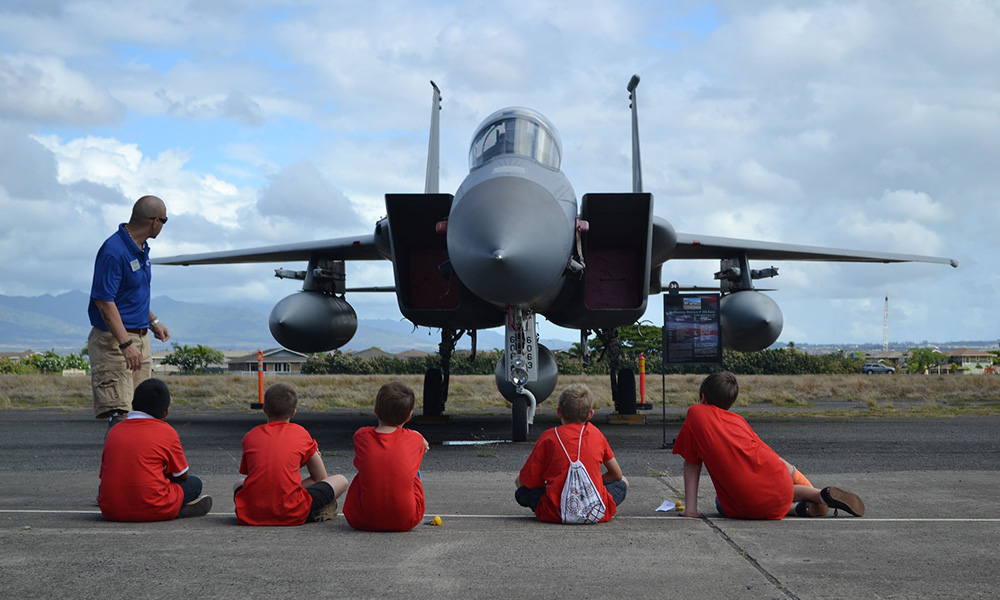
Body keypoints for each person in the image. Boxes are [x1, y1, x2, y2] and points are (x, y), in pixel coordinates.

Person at [673, 372, 865, 520]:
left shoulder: (696, 414)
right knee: (779, 489)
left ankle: (798, 509)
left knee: (721, 502)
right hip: (779, 480)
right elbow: (770, 454)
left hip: (746, 503)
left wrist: (691, 510)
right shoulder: (739, 421)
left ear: (703, 398)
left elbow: (692, 464)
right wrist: (797, 476)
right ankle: (820, 495)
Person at [88, 195, 171, 427]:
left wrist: (153, 322)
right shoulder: (113, 251)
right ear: (155, 222)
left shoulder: (141, 248)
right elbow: (104, 301)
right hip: (114, 343)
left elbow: (130, 295)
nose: (163, 226)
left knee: (143, 414)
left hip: (140, 339)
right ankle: (117, 463)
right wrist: (125, 344)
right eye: (165, 221)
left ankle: (141, 464)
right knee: (121, 416)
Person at [234, 383, 349, 526]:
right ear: (293, 412)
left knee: (239, 483)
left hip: (251, 513)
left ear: (264, 410)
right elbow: (320, 477)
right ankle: (318, 508)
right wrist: (309, 457)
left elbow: (257, 476)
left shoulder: (250, 436)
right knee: (341, 480)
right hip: (292, 512)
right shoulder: (301, 434)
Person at [98, 378, 212, 521]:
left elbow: (104, 474)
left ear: (133, 405)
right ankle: (177, 507)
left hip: (111, 510)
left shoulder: (114, 431)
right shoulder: (167, 432)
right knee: (195, 483)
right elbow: (182, 475)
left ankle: (176, 506)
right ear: (166, 412)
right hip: (153, 507)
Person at [515, 383, 628, 524]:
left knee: (521, 489)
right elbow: (616, 475)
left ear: (558, 412)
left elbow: (527, 482)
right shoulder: (597, 435)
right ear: (590, 414)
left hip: (554, 513)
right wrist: (591, 482)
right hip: (595, 510)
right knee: (623, 481)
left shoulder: (548, 437)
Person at [343, 381, 429, 532]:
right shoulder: (415, 439)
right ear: (409, 416)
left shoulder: (361, 436)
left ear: (376, 410)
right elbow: (422, 444)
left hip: (362, 520)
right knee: (412, 469)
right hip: (405, 520)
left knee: (366, 472)